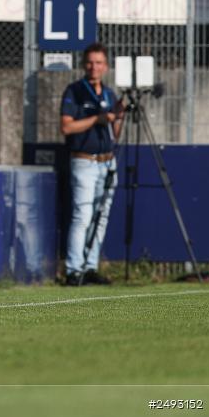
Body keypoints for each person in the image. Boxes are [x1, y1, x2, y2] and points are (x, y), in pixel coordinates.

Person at [60, 43, 124, 286]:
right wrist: (97, 119)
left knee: (101, 217)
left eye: (99, 63)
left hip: (107, 162)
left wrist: (118, 116)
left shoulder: (109, 93)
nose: (94, 67)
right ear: (83, 64)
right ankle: (73, 269)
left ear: (106, 66)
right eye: (90, 62)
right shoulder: (74, 91)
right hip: (84, 160)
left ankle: (90, 266)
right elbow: (67, 127)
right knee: (83, 216)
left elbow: (116, 133)